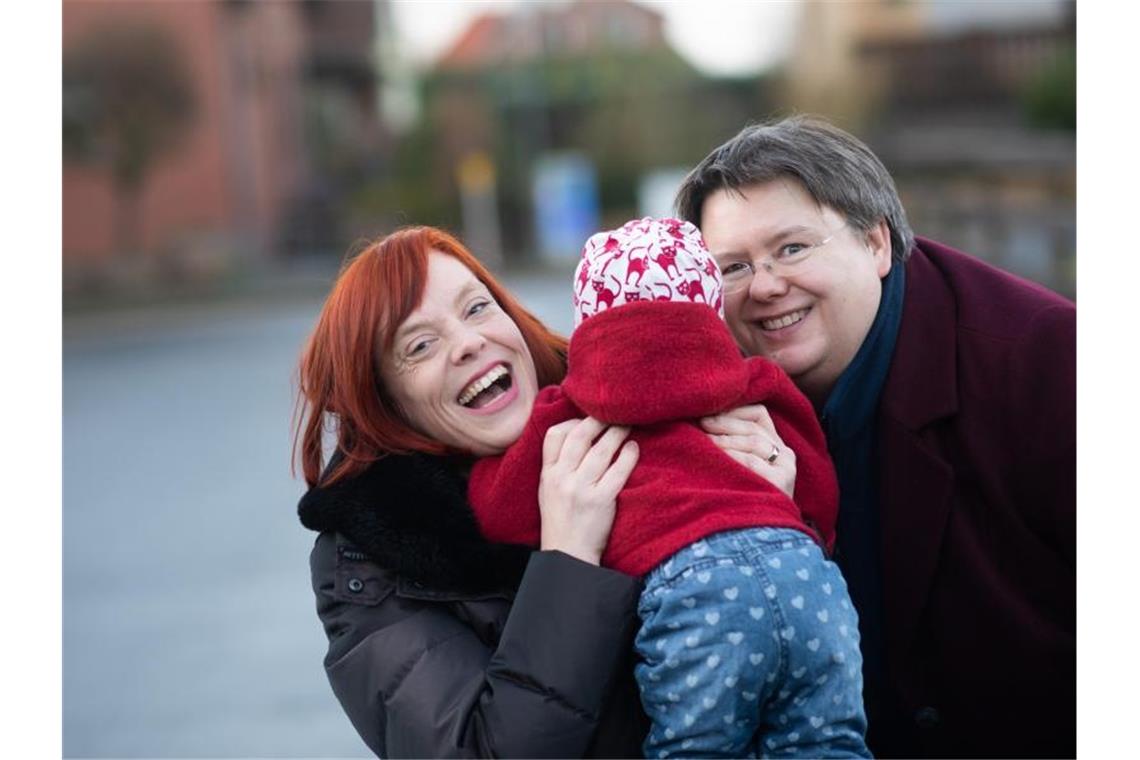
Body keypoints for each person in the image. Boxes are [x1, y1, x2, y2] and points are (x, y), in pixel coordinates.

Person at [292, 226, 792, 757]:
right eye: (420, 345)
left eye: (477, 308)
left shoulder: (643, 405)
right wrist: (569, 560)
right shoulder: (368, 568)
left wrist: (771, 522)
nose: (468, 343)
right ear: (386, 404)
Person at [675, 115, 1075, 758]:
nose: (768, 285)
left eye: (793, 248)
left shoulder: (1047, 362)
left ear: (875, 243)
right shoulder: (712, 413)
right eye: (734, 267)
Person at [468, 217, 870, 759]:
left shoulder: (569, 410)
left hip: (695, 597)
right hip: (804, 577)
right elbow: (818, 487)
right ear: (711, 309)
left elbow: (501, 511)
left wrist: (481, 474)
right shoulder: (756, 384)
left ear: (588, 322)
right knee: (826, 743)